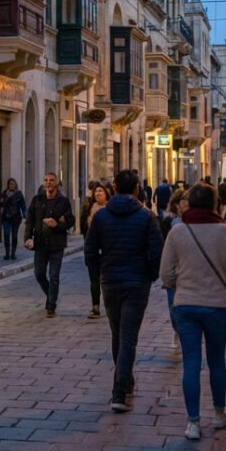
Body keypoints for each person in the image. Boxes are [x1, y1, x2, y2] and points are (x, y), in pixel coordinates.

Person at [161, 183, 226, 441]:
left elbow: (165, 274)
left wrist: (183, 280)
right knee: (216, 360)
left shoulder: (177, 232)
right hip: (217, 304)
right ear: (214, 203)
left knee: (191, 363)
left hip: (186, 304)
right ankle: (219, 413)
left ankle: (193, 422)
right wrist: (218, 274)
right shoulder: (225, 231)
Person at [85, 169, 163, 413]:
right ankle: (119, 391)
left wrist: (100, 274)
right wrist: (150, 275)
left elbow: (90, 252)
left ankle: (126, 381)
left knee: (117, 333)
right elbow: (158, 253)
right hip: (136, 282)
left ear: (114, 188)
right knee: (128, 336)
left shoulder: (101, 217)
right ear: (138, 188)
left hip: (110, 282)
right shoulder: (147, 216)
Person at [24, 172, 73, 318]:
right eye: (45, 180)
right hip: (40, 243)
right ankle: (50, 295)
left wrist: (57, 224)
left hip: (57, 244)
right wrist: (27, 238)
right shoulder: (37, 200)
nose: (48, 183)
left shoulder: (63, 201)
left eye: (51, 180)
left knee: (54, 275)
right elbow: (30, 220)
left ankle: (51, 305)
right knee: (39, 273)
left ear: (56, 182)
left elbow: (70, 221)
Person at [83, 184, 111, 320]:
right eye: (96, 191)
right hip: (93, 249)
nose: (98, 193)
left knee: (107, 280)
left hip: (107, 249)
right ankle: (95, 306)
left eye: (101, 191)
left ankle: (110, 305)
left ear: (106, 193)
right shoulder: (89, 209)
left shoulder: (111, 208)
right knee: (94, 280)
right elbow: (84, 229)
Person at [0, 178, 25, 261]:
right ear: (8, 185)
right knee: (6, 235)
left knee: (14, 235)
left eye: (13, 184)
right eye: (10, 184)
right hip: (6, 217)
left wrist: (25, 214)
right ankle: (7, 253)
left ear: (15, 185)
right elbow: (0, 204)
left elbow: (23, 205)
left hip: (15, 218)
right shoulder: (4, 193)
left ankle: (13, 253)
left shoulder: (18, 194)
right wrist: (3, 201)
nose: (11, 185)